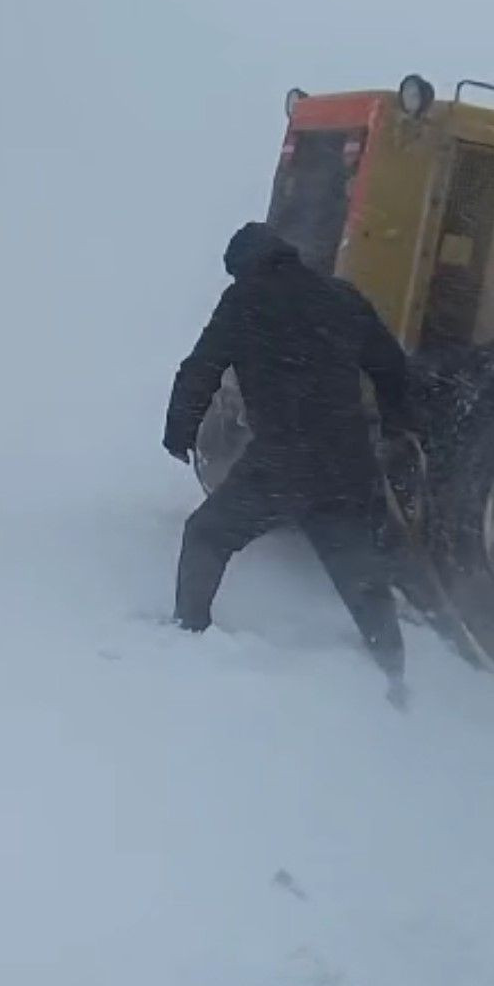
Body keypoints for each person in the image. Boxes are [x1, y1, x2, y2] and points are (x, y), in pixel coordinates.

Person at [163, 221, 410, 707]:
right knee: (357, 568)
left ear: (243, 269)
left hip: (284, 459)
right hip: (347, 460)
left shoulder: (245, 301)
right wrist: (399, 426)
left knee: (207, 533)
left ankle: (186, 637)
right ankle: (394, 673)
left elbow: (201, 368)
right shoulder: (341, 297)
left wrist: (179, 432)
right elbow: (390, 366)